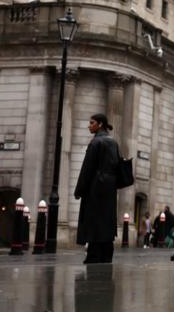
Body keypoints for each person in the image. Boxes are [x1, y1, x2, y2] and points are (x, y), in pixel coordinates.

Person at [73, 113, 121, 264]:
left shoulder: (96, 143)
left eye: (92, 122)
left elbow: (87, 168)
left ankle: (93, 255)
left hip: (95, 188)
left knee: (93, 222)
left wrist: (79, 190)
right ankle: (106, 255)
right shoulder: (113, 142)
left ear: (100, 124)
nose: (89, 125)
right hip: (109, 188)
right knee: (106, 222)